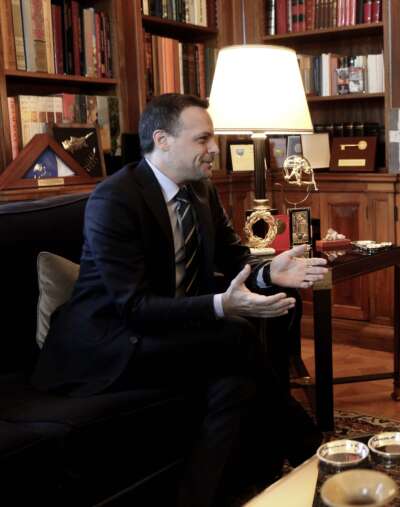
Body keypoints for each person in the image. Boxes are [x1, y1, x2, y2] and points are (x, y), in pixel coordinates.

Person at [32, 93, 328, 506]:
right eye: (203, 139)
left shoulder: (202, 191)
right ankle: (316, 459)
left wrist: (268, 272)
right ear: (162, 140)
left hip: (165, 329)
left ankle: (239, 487)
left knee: (235, 383)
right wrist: (222, 305)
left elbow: (235, 257)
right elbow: (133, 307)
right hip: (108, 339)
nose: (214, 148)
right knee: (236, 335)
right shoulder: (114, 199)